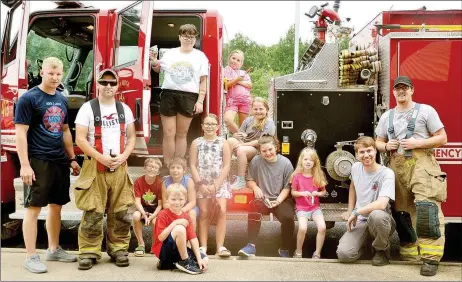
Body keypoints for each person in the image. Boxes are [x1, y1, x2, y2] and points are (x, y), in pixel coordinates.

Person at [375, 76, 448, 276]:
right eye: (397, 89)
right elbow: (378, 141)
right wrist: (385, 146)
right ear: (393, 92)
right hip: (396, 167)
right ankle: (409, 253)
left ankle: (431, 259)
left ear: (412, 90)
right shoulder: (387, 116)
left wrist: (417, 143)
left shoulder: (426, 111)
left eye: (405, 88)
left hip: (422, 165)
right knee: (402, 213)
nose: (401, 91)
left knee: (427, 210)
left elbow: (442, 137)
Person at [15, 57, 80, 274]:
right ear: (41, 72)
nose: (54, 77)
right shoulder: (29, 99)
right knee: (33, 208)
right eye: (50, 73)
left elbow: (64, 131)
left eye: (58, 74)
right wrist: (25, 165)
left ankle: (53, 249)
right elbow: (20, 133)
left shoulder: (62, 99)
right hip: (37, 160)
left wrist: (71, 159)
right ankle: (31, 256)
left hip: (59, 159)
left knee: (56, 206)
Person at [73, 69, 136, 270]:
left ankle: (118, 249)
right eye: (104, 82)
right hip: (94, 166)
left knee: (121, 211)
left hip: (119, 166)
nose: (108, 86)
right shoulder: (87, 109)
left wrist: (123, 157)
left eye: (112, 83)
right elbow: (80, 139)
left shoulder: (124, 109)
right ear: (97, 85)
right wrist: (101, 157)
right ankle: (88, 251)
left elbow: (132, 137)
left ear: (117, 86)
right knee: (93, 211)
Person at [149, 24, 209, 167]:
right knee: (169, 133)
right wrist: (154, 61)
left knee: (182, 133)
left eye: (192, 37)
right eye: (185, 36)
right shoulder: (170, 53)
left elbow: (203, 81)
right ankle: (168, 165)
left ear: (195, 39)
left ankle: (179, 166)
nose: (188, 40)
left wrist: (200, 101)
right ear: (179, 37)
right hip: (168, 94)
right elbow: (158, 70)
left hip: (189, 96)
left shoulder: (200, 56)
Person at [336, 136, 396, 266]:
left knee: (376, 215)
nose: (366, 155)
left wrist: (356, 212)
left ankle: (382, 250)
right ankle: (365, 244)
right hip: (361, 221)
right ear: (356, 155)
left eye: (369, 151)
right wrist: (350, 210)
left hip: (380, 220)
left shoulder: (387, 173)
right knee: (344, 254)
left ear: (375, 151)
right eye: (362, 152)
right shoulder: (356, 167)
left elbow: (381, 204)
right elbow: (353, 186)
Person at [237, 135, 295, 258]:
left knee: (288, 217)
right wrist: (255, 187)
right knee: (253, 207)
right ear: (260, 151)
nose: (268, 153)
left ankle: (284, 248)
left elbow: (287, 187)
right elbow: (249, 180)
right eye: (264, 151)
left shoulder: (286, 163)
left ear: (276, 147)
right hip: (263, 199)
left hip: (281, 199)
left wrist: (278, 201)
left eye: (270, 149)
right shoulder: (256, 161)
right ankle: (251, 246)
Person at [189, 114, 232, 257]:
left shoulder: (223, 142)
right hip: (202, 184)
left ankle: (220, 247)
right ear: (202, 126)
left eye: (213, 124)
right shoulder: (196, 142)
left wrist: (216, 184)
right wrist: (200, 184)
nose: (209, 126)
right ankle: (203, 247)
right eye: (207, 124)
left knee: (222, 212)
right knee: (204, 213)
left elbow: (227, 166)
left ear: (218, 127)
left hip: (220, 184)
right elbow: (192, 165)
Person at [152, 183, 208, 274]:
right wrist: (175, 223)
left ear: (185, 200)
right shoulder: (162, 214)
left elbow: (193, 239)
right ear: (167, 199)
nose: (177, 202)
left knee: (204, 259)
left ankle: (171, 263)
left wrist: (199, 259)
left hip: (178, 250)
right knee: (180, 229)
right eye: (173, 199)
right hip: (164, 251)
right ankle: (185, 262)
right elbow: (161, 238)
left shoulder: (186, 216)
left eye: (180, 199)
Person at [227, 97, 276, 190]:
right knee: (230, 141)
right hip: (245, 144)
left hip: (259, 149)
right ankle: (224, 172)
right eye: (255, 109)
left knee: (241, 150)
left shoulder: (269, 123)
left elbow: (261, 142)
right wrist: (236, 136)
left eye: (261, 109)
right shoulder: (248, 120)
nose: (258, 111)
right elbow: (241, 134)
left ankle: (241, 180)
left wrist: (242, 145)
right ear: (252, 110)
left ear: (266, 110)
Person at [291, 148, 327, 259]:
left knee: (322, 227)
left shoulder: (318, 175)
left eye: (311, 160)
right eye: (305, 159)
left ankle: (317, 253)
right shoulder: (297, 176)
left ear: (315, 162)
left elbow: (324, 191)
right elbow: (293, 193)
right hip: (302, 208)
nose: (308, 162)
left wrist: (318, 193)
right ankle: (298, 251)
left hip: (315, 208)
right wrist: (302, 193)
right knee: (302, 228)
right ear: (301, 161)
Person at [132, 157, 163, 257]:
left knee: (155, 221)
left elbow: (160, 205)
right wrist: (144, 214)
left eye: (155, 167)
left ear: (158, 171)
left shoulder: (160, 183)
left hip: (156, 209)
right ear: (144, 168)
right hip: (143, 208)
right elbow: (137, 202)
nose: (152, 169)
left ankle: (154, 245)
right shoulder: (138, 182)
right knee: (136, 216)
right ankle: (141, 244)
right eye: (149, 166)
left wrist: (153, 216)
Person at [159, 157, 198, 234]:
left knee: (192, 213)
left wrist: (181, 211)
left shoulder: (189, 181)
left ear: (184, 170)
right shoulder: (165, 183)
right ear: (169, 169)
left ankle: (190, 240)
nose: (175, 170)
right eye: (172, 167)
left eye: (178, 168)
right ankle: (171, 239)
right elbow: (165, 203)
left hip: (187, 208)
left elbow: (192, 202)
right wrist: (175, 211)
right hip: (171, 208)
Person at [223, 50, 253, 134]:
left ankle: (241, 142)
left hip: (245, 101)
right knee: (227, 120)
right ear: (229, 58)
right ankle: (241, 136)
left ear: (241, 63)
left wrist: (238, 81)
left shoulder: (244, 73)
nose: (235, 61)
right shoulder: (226, 70)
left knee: (244, 126)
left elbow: (250, 85)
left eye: (238, 60)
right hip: (232, 101)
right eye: (233, 58)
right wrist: (237, 79)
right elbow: (227, 85)